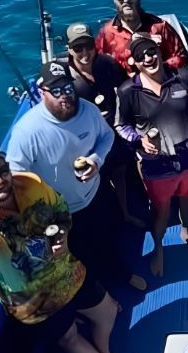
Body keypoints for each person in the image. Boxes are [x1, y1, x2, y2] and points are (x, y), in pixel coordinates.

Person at [0, 141, 139, 353]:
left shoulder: (30, 184)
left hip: (65, 273)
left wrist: (61, 235)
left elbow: (61, 211)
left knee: (107, 310)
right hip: (31, 300)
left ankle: (106, 350)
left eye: (1, 171)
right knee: (68, 337)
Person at [7, 59, 146, 298]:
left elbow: (106, 138)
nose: (65, 96)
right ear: (42, 92)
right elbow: (16, 176)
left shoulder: (89, 110)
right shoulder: (26, 131)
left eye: (68, 88)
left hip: (97, 193)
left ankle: (122, 273)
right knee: (81, 254)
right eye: (57, 90)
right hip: (60, 211)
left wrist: (96, 160)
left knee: (112, 237)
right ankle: (101, 294)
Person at [115, 35, 188, 276]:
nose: (149, 58)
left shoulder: (182, 77)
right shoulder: (128, 91)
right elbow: (120, 125)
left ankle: (187, 231)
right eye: (141, 57)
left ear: (159, 52)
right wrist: (139, 141)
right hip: (157, 165)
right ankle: (158, 248)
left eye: (151, 52)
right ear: (136, 64)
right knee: (160, 210)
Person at [59, 22, 146, 230]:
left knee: (120, 170)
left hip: (111, 133)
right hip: (83, 143)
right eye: (77, 48)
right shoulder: (64, 79)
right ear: (69, 49)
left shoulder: (107, 64)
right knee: (94, 186)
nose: (84, 53)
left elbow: (128, 91)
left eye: (88, 46)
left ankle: (126, 213)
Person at [96, 0, 188, 74]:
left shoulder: (160, 27)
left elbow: (182, 57)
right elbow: (97, 62)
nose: (126, 0)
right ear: (114, 0)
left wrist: (156, 67)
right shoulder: (107, 32)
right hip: (125, 87)